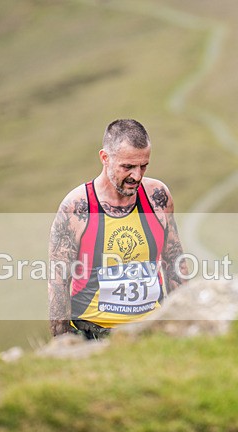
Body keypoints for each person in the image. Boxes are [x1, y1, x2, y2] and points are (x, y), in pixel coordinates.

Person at [48, 119, 187, 339]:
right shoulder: (76, 207)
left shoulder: (157, 196)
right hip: (95, 334)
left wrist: (185, 326)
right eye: (127, 167)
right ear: (105, 158)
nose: (137, 176)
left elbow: (174, 263)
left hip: (152, 332)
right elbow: (58, 282)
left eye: (143, 165)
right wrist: (61, 344)